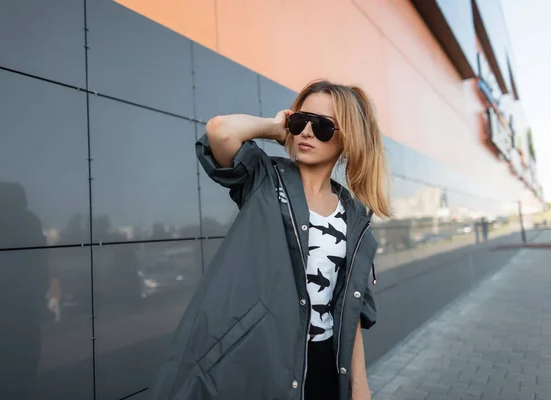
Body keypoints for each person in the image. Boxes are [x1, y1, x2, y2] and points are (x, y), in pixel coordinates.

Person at [151, 80, 391, 400]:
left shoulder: (354, 214)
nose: (306, 131)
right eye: (299, 120)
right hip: (261, 364)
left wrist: (360, 388)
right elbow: (220, 130)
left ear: (347, 137)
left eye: (321, 126)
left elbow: (352, 307)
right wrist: (276, 128)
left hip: (325, 367)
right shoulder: (265, 178)